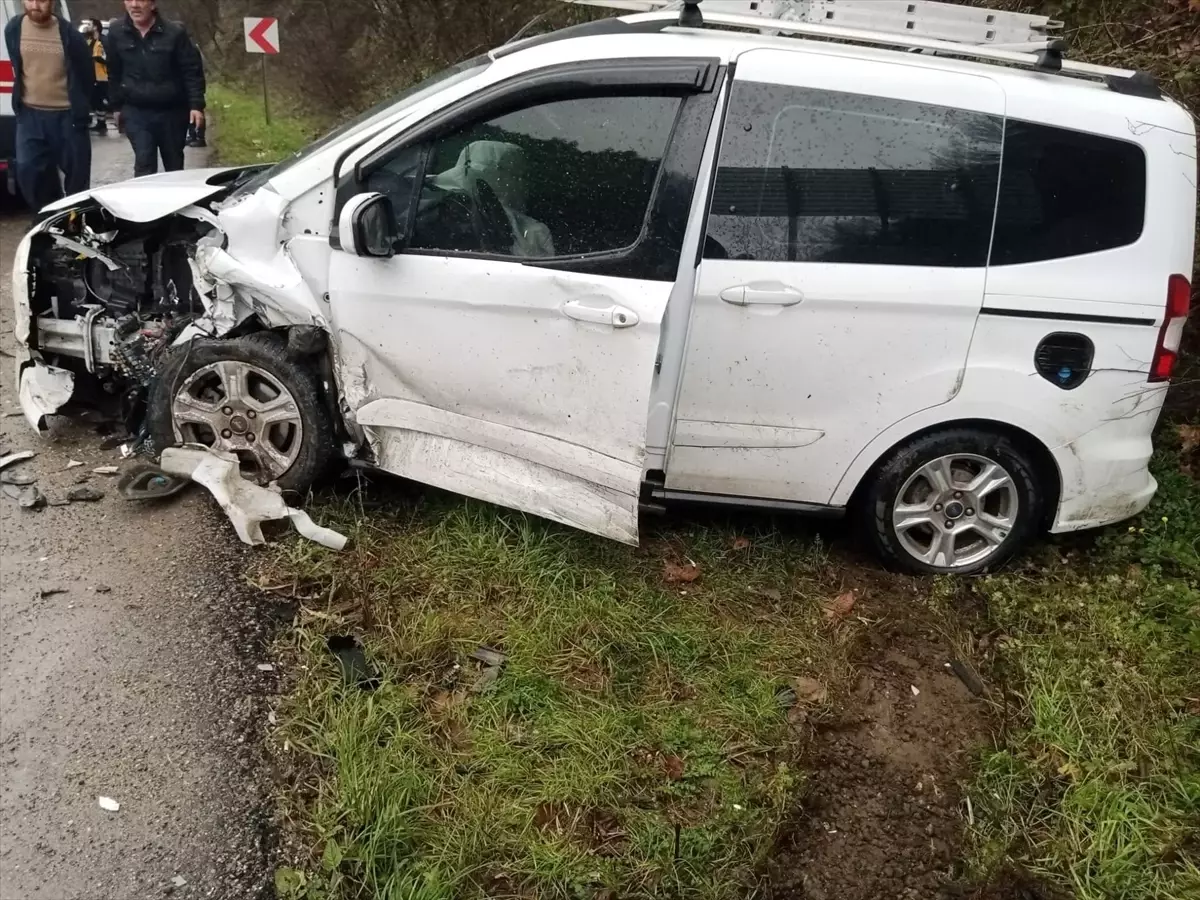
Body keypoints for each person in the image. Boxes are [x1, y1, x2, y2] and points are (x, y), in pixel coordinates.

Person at [2, 0, 94, 211]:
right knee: (28, 171)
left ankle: (73, 219)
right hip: (30, 115)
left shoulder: (70, 35)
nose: (35, 5)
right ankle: (46, 215)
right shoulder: (14, 29)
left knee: (77, 179)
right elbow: (19, 64)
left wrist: (80, 106)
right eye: (30, 0)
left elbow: (85, 76)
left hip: (67, 116)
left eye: (42, 0)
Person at [106, 0, 205, 177]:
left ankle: (175, 194)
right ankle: (144, 195)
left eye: (141, 0)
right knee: (144, 162)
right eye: (129, 0)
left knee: (173, 164)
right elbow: (114, 71)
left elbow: (191, 71)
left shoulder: (174, 33)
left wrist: (196, 105)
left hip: (172, 111)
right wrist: (116, 106)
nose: (134, 5)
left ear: (152, 4)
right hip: (136, 110)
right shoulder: (116, 32)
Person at [86, 19, 108, 133]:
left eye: (89, 25)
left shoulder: (103, 40)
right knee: (95, 100)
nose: (87, 27)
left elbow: (106, 57)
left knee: (104, 99)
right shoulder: (90, 41)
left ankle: (104, 123)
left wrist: (96, 58)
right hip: (92, 75)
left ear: (95, 27)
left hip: (102, 75)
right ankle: (100, 122)